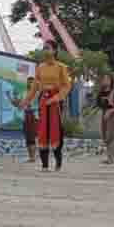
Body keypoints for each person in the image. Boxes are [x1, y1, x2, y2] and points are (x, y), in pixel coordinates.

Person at [20, 39, 72, 172]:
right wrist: (25, 101)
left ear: (55, 50)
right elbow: (34, 88)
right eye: (44, 48)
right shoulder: (40, 67)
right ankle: (44, 165)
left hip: (56, 103)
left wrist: (56, 98)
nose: (45, 50)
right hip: (43, 101)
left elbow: (66, 86)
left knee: (55, 130)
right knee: (43, 130)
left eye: (48, 48)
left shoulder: (61, 67)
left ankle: (58, 162)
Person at [9, 76, 37, 163]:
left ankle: (33, 157)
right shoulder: (24, 93)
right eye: (28, 82)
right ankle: (31, 157)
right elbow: (18, 105)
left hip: (33, 115)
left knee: (31, 137)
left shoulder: (37, 93)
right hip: (26, 116)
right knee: (28, 137)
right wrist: (10, 97)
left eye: (31, 82)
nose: (29, 84)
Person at [97, 73, 114, 164]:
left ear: (111, 81)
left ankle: (111, 158)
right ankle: (109, 157)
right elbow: (98, 103)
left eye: (107, 79)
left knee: (110, 136)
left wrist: (110, 111)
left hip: (113, 115)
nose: (105, 81)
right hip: (104, 114)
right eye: (104, 79)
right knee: (104, 135)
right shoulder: (101, 92)